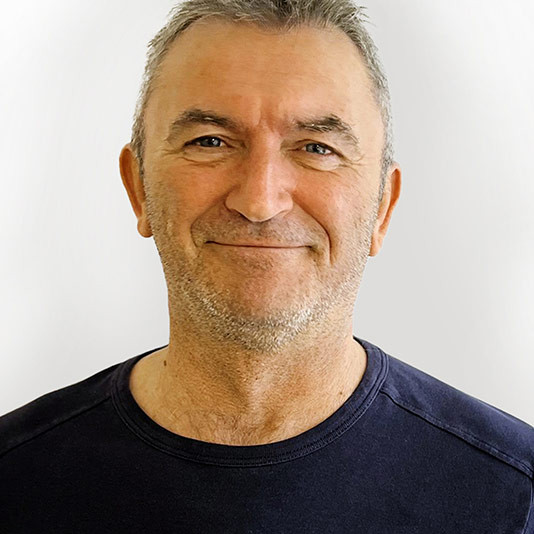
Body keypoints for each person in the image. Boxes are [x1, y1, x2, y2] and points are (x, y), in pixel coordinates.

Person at [1, 0, 533, 531]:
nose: (260, 201)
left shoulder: (514, 497)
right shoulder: (14, 481)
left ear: (382, 207)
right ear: (138, 187)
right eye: (210, 142)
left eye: (316, 148)